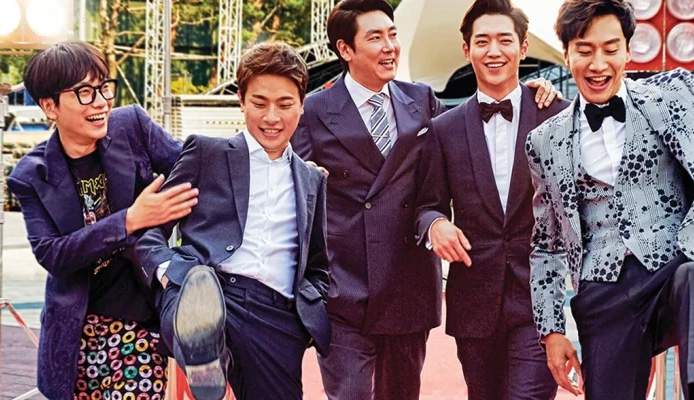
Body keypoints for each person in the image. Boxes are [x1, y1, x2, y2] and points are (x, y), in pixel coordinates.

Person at [527, 0, 694, 398]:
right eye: (585, 50)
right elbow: (546, 244)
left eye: (610, 49)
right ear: (567, 54)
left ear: (628, 50)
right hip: (603, 296)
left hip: (670, 272)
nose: (598, 64)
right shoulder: (544, 141)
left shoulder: (674, 96)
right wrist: (551, 330)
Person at [292, 1, 560, 398]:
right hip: (344, 289)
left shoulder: (422, 101)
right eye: (375, 38)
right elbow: (295, 200)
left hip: (408, 287)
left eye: (393, 35)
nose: (390, 47)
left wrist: (536, 91)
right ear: (345, 49)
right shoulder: (313, 111)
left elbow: (446, 166)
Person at [135, 41, 331, 400]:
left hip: (275, 313)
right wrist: (168, 274)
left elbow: (317, 264)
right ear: (241, 100)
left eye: (285, 104)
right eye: (259, 103)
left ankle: (210, 361)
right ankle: (203, 356)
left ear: (302, 104)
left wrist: (304, 317)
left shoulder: (312, 179)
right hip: (207, 284)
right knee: (196, 297)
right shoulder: (206, 153)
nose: (272, 117)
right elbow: (151, 228)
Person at [7, 41, 197, 400]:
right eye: (83, 92)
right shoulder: (32, 174)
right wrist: (130, 220)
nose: (100, 102)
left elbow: (191, 170)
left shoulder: (132, 127)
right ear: (49, 106)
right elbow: (53, 255)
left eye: (103, 87)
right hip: (76, 333)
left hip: (139, 322)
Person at [414, 1, 567, 398]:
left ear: (523, 47)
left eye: (504, 40)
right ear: (467, 50)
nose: (493, 51)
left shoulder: (559, 117)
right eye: (482, 42)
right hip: (474, 303)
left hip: (540, 301)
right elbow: (426, 205)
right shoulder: (443, 129)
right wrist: (436, 224)